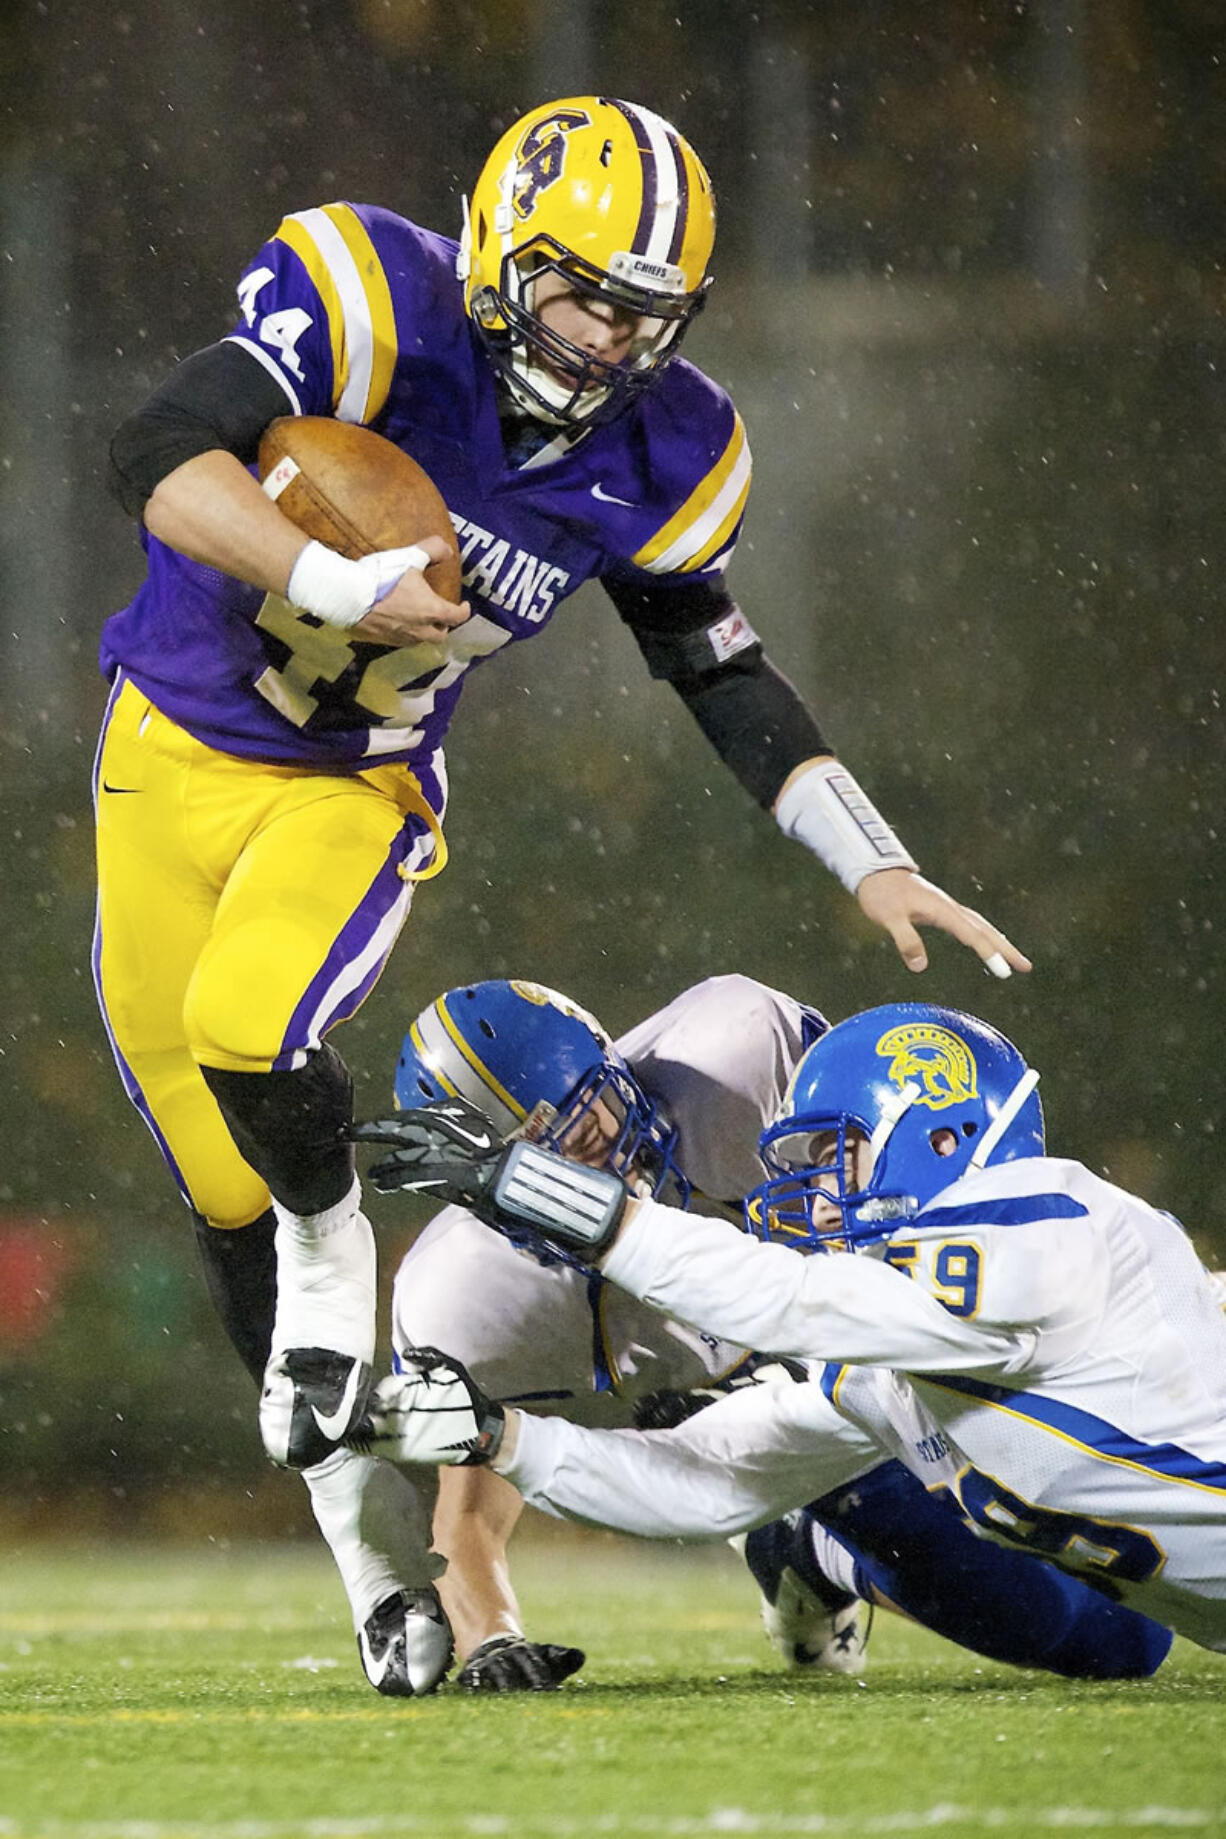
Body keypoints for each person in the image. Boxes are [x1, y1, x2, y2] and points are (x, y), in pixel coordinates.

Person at [95, 96, 1027, 1693]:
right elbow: (150, 454)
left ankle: (337, 1257)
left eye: (645, 316)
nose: (605, 341)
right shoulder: (368, 298)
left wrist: (863, 847)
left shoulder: (660, 447)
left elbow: (713, 664)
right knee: (215, 1178)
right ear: (500, 254)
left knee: (250, 1032)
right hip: (158, 752)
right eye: (583, 294)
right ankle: (379, 1583)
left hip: (351, 786)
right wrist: (332, 575)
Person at [353, 982, 1171, 1685]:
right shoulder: (463, 1297)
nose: (603, 1176)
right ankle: (809, 1546)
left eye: (593, 1131)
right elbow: (468, 1508)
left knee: (1133, 1574)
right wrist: (492, 1635)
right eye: (546, 1167)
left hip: (873, 1327)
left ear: (615, 1070)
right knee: (1108, 1640)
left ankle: (806, 1548)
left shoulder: (734, 1051)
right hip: (759, 1410)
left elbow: (913, 1169)